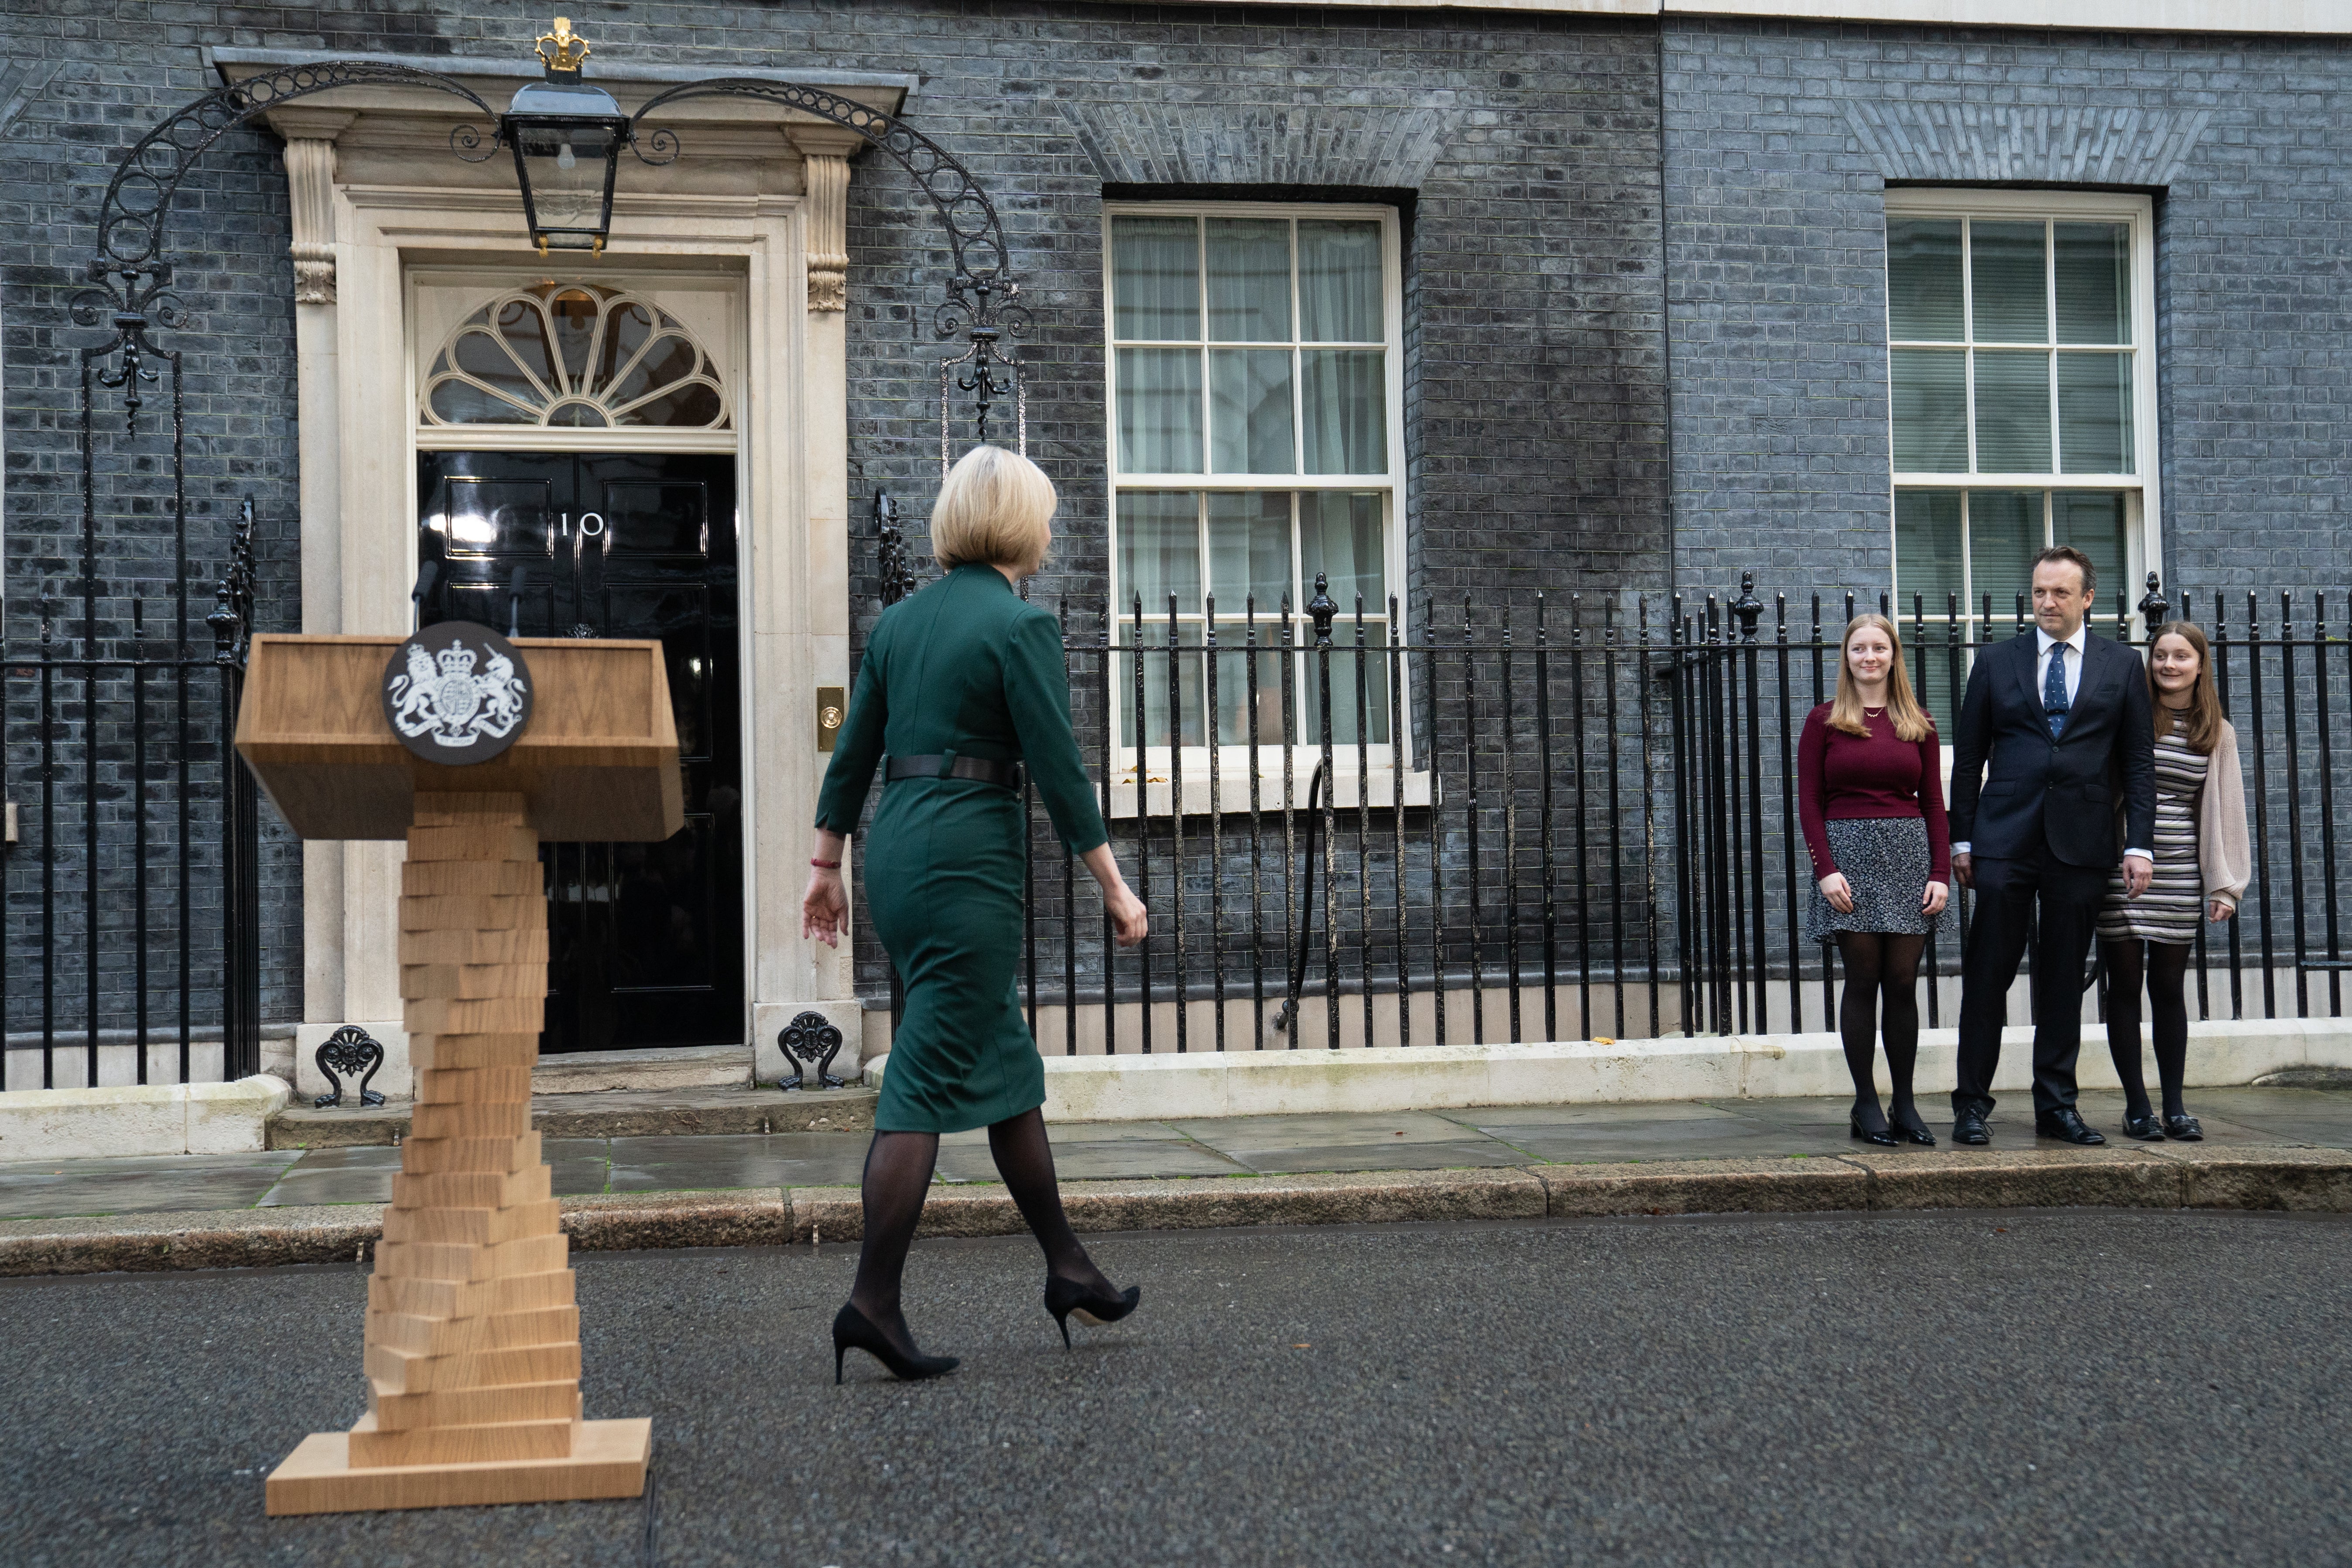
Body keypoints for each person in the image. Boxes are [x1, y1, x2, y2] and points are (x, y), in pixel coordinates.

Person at [803, 445, 1150, 1383]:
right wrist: (1113, 884)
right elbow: (1059, 769)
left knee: (999, 1060)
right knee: (921, 1076)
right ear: (1013, 522)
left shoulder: (899, 625)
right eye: (1043, 512)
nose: (1049, 528)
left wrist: (825, 864)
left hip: (900, 848)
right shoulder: (1016, 627)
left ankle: (1068, 1267)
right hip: (966, 859)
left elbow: (853, 754)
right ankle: (871, 1303)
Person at [1948, 546, 2157, 1146]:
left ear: (2086, 598)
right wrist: (1962, 835)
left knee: (2063, 978)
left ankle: (2056, 1105)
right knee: (1987, 975)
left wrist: (2137, 844)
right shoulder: (1994, 660)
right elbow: (1968, 760)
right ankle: (1970, 1104)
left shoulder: (2121, 665)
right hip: (2002, 838)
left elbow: (2136, 763)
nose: (2046, 602)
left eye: (2059, 593)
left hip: (2082, 840)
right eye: (2039, 591)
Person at [1797, 614, 1951, 1147]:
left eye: (1879, 648)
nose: (1869, 657)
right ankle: (1866, 1103)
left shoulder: (1919, 722)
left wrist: (1941, 872)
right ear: (1847, 656)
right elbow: (1809, 803)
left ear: (1893, 655)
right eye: (1859, 648)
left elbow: (1933, 802)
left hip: (1909, 858)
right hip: (1849, 860)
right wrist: (1825, 870)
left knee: (1903, 983)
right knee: (1863, 981)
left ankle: (1905, 1104)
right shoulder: (1824, 722)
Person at [2095, 620, 2249, 1141]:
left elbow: (2228, 811)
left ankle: (2176, 1106)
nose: (2168, 665)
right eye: (2160, 655)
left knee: (2167, 989)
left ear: (2200, 665)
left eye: (2181, 657)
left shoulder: (2217, 732)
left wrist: (2224, 886)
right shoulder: (2131, 716)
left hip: (2181, 871)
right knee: (2124, 989)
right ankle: (2138, 1107)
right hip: (2122, 867)